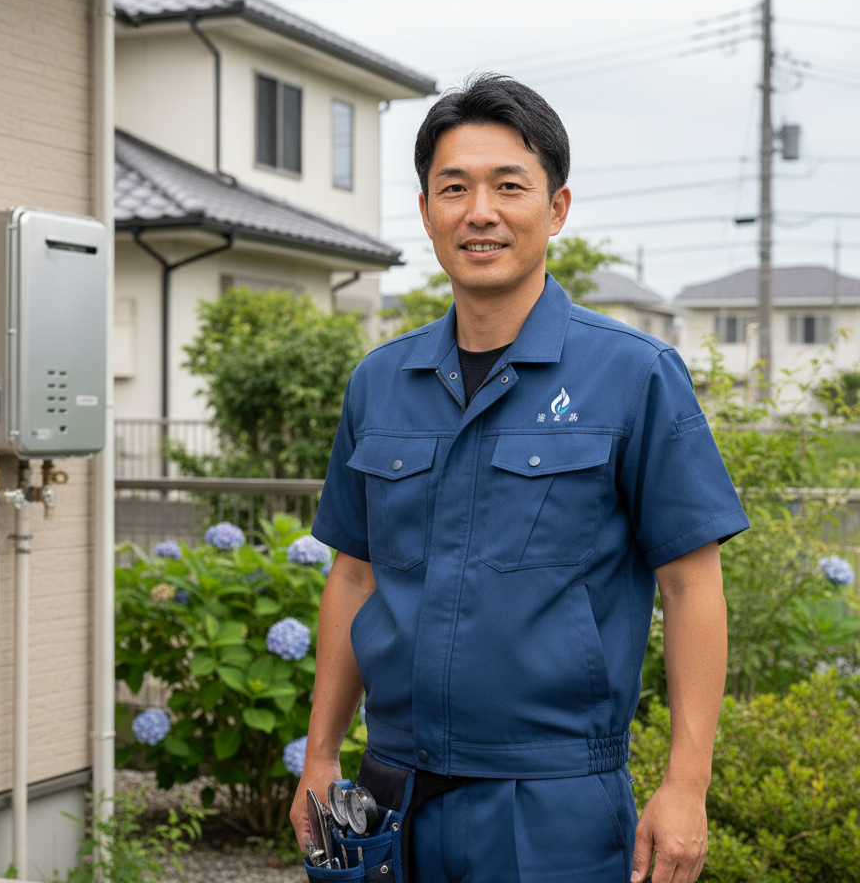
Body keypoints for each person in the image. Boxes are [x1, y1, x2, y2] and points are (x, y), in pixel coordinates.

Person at [291, 74, 748, 883]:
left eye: (510, 186)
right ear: (428, 209)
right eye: (454, 188)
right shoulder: (381, 382)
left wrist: (687, 785)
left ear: (557, 208)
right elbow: (354, 574)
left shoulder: (633, 374)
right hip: (390, 794)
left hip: (551, 803)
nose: (481, 212)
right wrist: (320, 754)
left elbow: (690, 583)